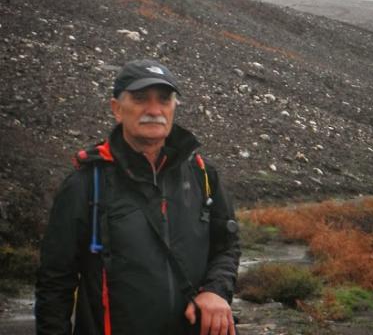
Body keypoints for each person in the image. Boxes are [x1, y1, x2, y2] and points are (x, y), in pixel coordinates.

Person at [36, 59, 241, 335]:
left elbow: (227, 245)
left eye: (164, 99)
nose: (154, 110)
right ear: (117, 109)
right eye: (140, 98)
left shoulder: (202, 175)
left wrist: (216, 290)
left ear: (174, 108)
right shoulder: (86, 183)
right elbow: (54, 283)